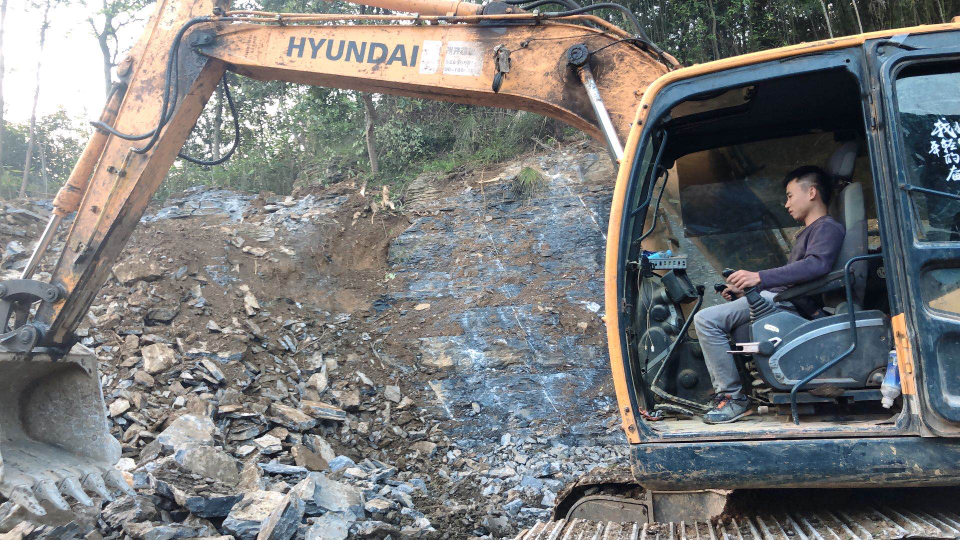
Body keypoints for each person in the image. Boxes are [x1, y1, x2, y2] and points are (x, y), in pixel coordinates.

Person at [693, 165, 846, 424]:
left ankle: (733, 398)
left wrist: (760, 278)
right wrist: (748, 289)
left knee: (706, 320)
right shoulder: (809, 232)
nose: (786, 204)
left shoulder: (827, 228)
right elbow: (793, 278)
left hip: (791, 306)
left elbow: (816, 266)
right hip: (782, 299)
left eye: (789, 195)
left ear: (811, 192)